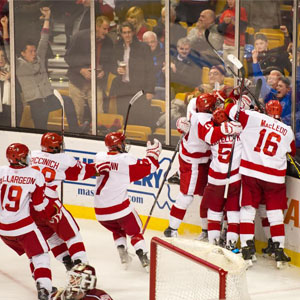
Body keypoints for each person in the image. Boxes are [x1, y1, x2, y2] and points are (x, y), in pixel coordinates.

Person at [226, 100, 296, 268]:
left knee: (248, 211)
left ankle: (247, 249)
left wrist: (241, 102)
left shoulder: (253, 117)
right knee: (275, 213)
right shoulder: (288, 131)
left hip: (252, 173)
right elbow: (291, 151)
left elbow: (230, 110)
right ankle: (279, 252)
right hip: (275, 177)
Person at [164, 93, 242, 238]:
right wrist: (227, 129)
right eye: (215, 105)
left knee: (205, 196)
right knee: (187, 196)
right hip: (193, 162)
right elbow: (210, 136)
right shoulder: (202, 118)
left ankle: (206, 231)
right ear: (210, 107)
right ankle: (171, 229)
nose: (217, 107)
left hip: (204, 159)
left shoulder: (198, 110)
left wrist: (233, 94)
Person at [93, 132, 162, 271]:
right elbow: (149, 167)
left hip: (100, 212)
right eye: (122, 142)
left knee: (117, 229)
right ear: (119, 145)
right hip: (120, 209)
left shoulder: (99, 156)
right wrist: (153, 154)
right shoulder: (126, 159)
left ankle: (123, 255)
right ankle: (144, 258)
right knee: (135, 232)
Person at [30, 132, 97, 269]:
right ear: (55, 147)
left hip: (29, 205)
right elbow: (83, 172)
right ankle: (81, 266)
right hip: (48, 203)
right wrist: (102, 167)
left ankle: (67, 263)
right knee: (72, 234)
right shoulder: (64, 159)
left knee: (51, 236)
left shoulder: (33, 155)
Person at [0, 143, 59, 300]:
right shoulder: (35, 175)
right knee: (41, 255)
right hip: (23, 227)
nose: (28, 158)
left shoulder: (1, 171)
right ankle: (45, 290)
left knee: (32, 254)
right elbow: (39, 206)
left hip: (3, 229)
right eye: (25, 156)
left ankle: (40, 282)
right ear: (19, 158)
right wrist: (52, 211)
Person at [16, 7, 80, 132]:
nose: (34, 53)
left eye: (34, 51)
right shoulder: (18, 65)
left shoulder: (39, 57)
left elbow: (44, 38)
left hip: (49, 96)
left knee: (67, 101)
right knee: (41, 128)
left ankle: (76, 130)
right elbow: (7, 50)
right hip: (36, 102)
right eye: (30, 51)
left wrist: (47, 18)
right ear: (23, 53)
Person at [65, 16, 113, 130]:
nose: (106, 32)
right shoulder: (80, 37)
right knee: (77, 115)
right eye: (104, 29)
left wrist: (104, 71)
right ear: (97, 27)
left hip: (96, 83)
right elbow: (68, 57)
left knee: (99, 114)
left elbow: (111, 62)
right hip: (77, 81)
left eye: (108, 29)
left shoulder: (108, 42)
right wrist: (81, 70)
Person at [204, 107, 243, 250]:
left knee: (214, 212)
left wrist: (222, 130)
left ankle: (213, 243)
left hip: (215, 178)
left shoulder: (212, 133)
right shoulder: (239, 129)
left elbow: (207, 137)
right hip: (234, 178)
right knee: (233, 212)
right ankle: (231, 244)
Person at [109, 22, 158, 129]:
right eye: (124, 33)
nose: (127, 35)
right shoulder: (117, 47)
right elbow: (111, 65)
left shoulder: (143, 47)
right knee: (124, 117)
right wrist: (116, 70)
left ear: (133, 33)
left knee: (139, 118)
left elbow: (150, 70)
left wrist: (150, 90)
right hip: (122, 88)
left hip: (139, 89)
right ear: (121, 34)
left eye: (129, 32)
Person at [217, 0, 248, 70]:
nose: (230, 1)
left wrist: (233, 22)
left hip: (237, 46)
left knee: (237, 69)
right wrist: (225, 23)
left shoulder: (241, 11)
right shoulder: (225, 12)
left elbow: (243, 28)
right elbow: (220, 30)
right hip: (226, 45)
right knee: (228, 68)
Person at [142, 31, 165, 100]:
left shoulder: (164, 53)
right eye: (147, 43)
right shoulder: (139, 53)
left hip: (159, 86)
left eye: (152, 42)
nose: (150, 45)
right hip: (143, 87)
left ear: (157, 41)